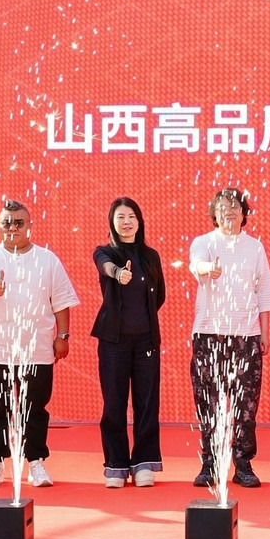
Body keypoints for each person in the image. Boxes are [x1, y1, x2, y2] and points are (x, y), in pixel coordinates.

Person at [0, 199, 79, 490]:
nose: (12, 228)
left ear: (29, 225)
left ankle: (36, 462)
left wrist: (63, 336)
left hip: (36, 348)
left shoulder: (47, 259)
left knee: (35, 408)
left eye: (19, 223)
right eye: (6, 223)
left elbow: (61, 301)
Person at [188, 187, 270, 488]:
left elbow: (264, 292)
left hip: (246, 336)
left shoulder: (255, 248)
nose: (229, 211)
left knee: (245, 404)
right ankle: (210, 464)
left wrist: (264, 333)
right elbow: (196, 265)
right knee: (209, 402)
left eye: (235, 207)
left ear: (244, 213)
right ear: (214, 214)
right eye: (222, 207)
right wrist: (209, 269)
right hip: (209, 335)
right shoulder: (203, 242)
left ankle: (243, 464)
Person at [91, 197, 166, 489]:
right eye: (120, 217)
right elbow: (104, 266)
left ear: (139, 221)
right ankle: (116, 465)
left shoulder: (151, 256)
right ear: (112, 222)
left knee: (147, 404)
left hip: (146, 340)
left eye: (131, 216)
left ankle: (144, 463)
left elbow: (159, 296)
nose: (126, 222)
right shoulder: (104, 252)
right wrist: (118, 274)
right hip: (114, 342)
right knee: (114, 403)